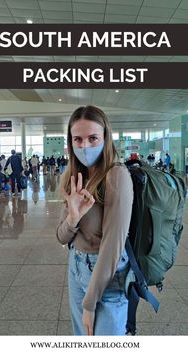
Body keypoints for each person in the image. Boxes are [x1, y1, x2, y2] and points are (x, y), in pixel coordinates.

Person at [56, 105, 133, 336]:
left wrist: (89, 304)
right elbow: (61, 236)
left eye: (92, 138)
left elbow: (112, 246)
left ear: (105, 138)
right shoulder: (72, 177)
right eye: (77, 139)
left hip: (108, 276)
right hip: (76, 267)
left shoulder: (116, 176)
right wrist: (73, 216)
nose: (85, 146)